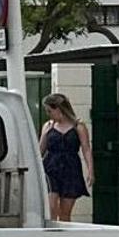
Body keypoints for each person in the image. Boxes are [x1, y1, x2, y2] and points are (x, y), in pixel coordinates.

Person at [39, 93, 94, 222]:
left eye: (50, 111)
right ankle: (50, 235)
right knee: (51, 206)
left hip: (71, 169)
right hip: (51, 168)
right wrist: (45, 135)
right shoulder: (48, 126)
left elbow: (86, 149)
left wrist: (90, 170)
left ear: (58, 109)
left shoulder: (78, 126)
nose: (48, 114)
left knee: (65, 212)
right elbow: (40, 150)